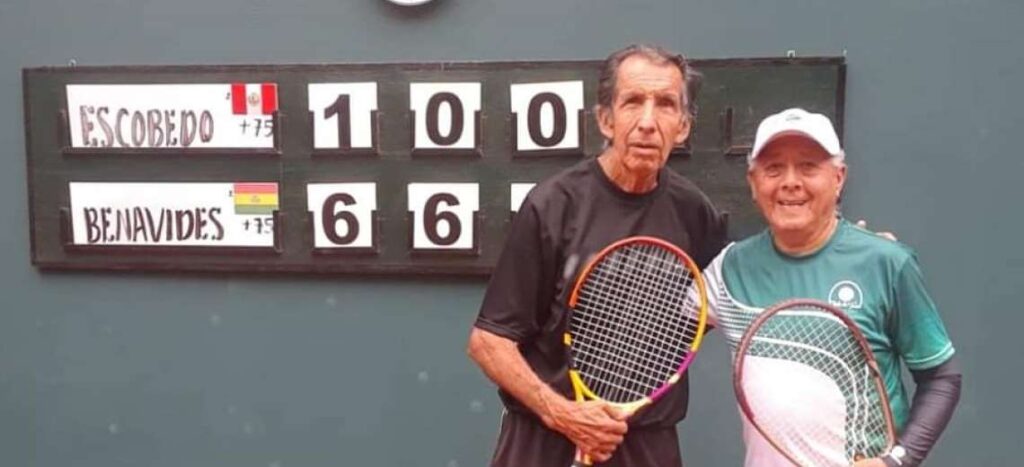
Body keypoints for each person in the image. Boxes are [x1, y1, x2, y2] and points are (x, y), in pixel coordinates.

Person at [466, 44, 727, 466]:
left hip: (647, 443)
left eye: (664, 105)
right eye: (632, 102)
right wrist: (564, 414)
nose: (647, 122)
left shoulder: (694, 212)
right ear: (606, 118)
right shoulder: (552, 205)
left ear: (683, 126)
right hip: (546, 435)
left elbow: (721, 303)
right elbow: (489, 342)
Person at [702, 108, 962, 467]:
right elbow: (657, 346)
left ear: (839, 178)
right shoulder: (727, 270)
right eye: (773, 168)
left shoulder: (886, 262)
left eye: (808, 166)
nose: (790, 182)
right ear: (753, 182)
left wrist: (897, 460)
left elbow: (942, 379)